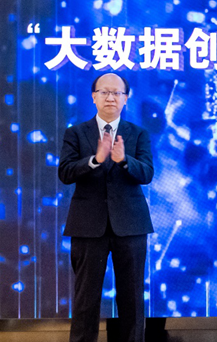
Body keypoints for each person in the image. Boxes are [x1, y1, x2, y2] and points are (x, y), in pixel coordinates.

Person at [58, 73, 154, 342]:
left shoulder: (138, 133)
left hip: (131, 225)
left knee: (132, 298)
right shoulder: (76, 133)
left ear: (126, 98)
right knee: (85, 298)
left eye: (116, 93)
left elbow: (147, 173)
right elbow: (65, 173)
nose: (110, 97)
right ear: (94, 97)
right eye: (104, 92)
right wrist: (95, 159)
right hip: (88, 225)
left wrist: (124, 161)